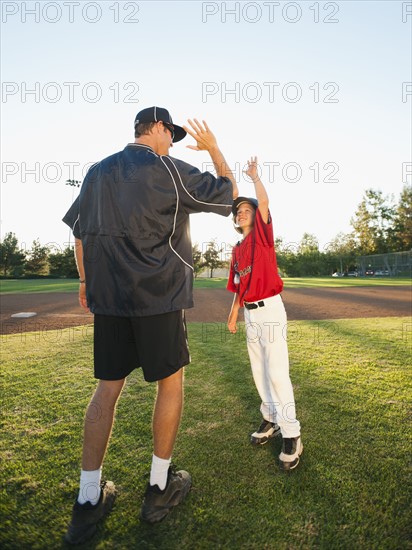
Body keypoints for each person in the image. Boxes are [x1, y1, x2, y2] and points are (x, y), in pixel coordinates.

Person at [62, 107, 238, 544]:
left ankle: (88, 498)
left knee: (107, 387)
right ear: (156, 128)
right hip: (158, 297)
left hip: (110, 300)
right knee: (171, 384)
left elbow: (79, 235)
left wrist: (86, 282)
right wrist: (214, 148)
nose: (173, 142)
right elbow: (230, 194)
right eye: (171, 134)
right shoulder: (170, 170)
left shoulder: (97, 171)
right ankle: (159, 486)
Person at [227, 157, 302, 471]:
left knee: (276, 372)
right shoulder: (236, 250)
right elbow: (238, 287)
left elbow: (265, 202)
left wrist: (254, 177)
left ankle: (292, 433)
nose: (242, 212)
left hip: (270, 309)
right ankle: (270, 419)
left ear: (255, 216)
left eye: (247, 209)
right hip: (250, 314)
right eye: (239, 211)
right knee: (259, 370)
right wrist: (233, 316)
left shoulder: (262, 236)